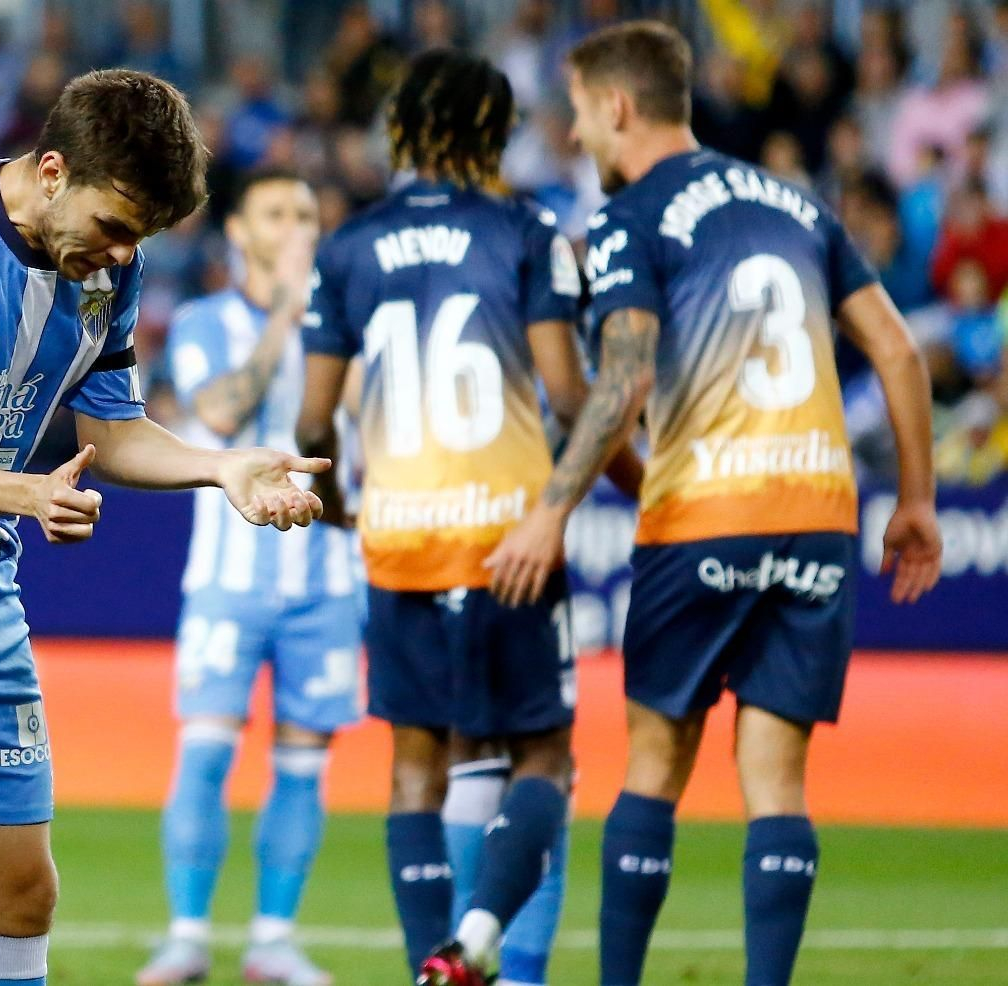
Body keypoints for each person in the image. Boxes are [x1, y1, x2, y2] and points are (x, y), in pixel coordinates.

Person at [0, 69, 331, 986]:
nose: (121, 257)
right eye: (114, 227)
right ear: (49, 171)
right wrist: (27, 494)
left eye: (139, 239)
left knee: (21, 889)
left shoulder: (105, 269)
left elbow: (109, 431)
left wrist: (220, 466)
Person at [484, 22, 944, 986]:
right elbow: (898, 350)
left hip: (706, 514)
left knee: (654, 764)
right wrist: (917, 503)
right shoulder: (796, 201)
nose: (574, 137)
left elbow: (626, 378)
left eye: (578, 114)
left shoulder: (630, 218)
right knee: (777, 781)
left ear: (617, 105)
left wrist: (550, 511)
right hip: (818, 511)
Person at [295, 50, 639, 986]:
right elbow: (571, 398)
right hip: (505, 539)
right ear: (496, 131)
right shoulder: (526, 230)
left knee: (416, 770)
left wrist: (340, 513)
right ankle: (481, 933)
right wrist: (641, 482)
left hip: (398, 535)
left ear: (402, 129)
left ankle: (429, 966)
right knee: (543, 757)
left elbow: (311, 423)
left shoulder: (347, 245)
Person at [137, 168, 358, 986]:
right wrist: (286, 321)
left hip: (328, 575)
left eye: (306, 209)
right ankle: (187, 935)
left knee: (305, 758)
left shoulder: (349, 322)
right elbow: (220, 415)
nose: (297, 223)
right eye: (277, 211)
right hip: (228, 578)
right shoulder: (203, 322)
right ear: (239, 232)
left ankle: (273, 938)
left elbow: (364, 432)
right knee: (206, 749)